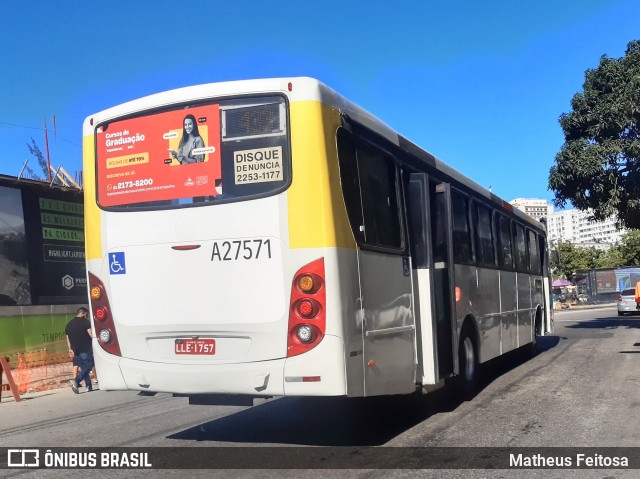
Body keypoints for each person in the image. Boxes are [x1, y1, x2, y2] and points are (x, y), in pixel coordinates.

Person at [65, 307, 95, 393]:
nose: (87, 316)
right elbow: (91, 334)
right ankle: (76, 380)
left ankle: (89, 386)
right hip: (86, 348)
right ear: (82, 313)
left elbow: (67, 338)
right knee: (90, 365)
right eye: (86, 314)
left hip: (75, 350)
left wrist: (70, 349)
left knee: (84, 367)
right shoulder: (85, 322)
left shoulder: (69, 324)